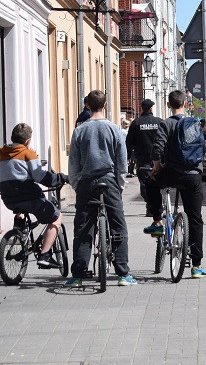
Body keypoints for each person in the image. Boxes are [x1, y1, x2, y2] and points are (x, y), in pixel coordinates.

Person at [67, 90, 135, 286]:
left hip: (87, 182)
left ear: (87, 105)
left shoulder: (80, 130)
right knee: (118, 225)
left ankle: (78, 274)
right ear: (105, 105)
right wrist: (120, 183)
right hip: (109, 180)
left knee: (83, 228)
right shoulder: (114, 129)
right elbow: (122, 160)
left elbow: (73, 163)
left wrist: (76, 184)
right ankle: (123, 274)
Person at [147, 90, 206, 278]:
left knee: (150, 182)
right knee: (195, 219)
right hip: (193, 176)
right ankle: (196, 265)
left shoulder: (166, 124)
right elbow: (202, 149)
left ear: (168, 105)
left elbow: (157, 149)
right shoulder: (194, 123)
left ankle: (157, 221)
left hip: (172, 173)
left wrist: (157, 167)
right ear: (186, 104)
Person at [0, 123, 67, 269]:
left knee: (21, 207)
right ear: (28, 141)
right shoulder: (28, 154)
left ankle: (19, 228)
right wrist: (61, 178)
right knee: (56, 218)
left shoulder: (1, 153)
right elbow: (40, 177)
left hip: (8, 199)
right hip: (29, 198)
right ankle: (45, 255)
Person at [126, 99, 163, 198]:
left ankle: (148, 201)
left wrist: (127, 156)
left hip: (142, 157)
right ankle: (157, 201)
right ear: (151, 109)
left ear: (142, 109)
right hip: (158, 156)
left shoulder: (136, 123)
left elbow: (129, 141)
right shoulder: (159, 122)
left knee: (144, 181)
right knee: (158, 180)